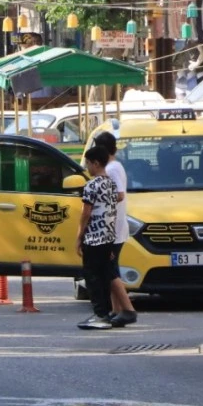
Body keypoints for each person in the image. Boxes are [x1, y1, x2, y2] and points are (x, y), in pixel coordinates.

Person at [92, 132, 137, 326]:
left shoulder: (112, 169)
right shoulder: (114, 167)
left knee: (110, 270)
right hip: (114, 226)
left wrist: (98, 199)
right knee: (110, 268)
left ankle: (127, 310)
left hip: (112, 228)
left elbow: (119, 194)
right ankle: (117, 310)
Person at [77, 145, 120, 330]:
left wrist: (79, 236)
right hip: (109, 236)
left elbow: (86, 212)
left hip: (94, 238)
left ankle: (100, 315)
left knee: (92, 277)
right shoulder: (111, 184)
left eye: (88, 163)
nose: (87, 167)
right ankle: (106, 313)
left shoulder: (91, 185)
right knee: (104, 276)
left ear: (95, 163)